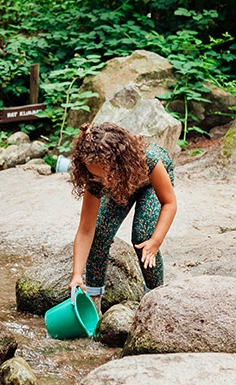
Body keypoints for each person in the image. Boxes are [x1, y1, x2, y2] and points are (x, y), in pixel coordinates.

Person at [68, 123, 178, 301]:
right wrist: (77, 275)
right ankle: (94, 300)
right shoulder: (96, 179)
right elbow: (86, 230)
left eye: (104, 176)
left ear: (119, 165)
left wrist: (156, 241)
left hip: (150, 184)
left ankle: (155, 297)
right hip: (121, 183)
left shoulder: (149, 160)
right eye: (94, 175)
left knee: (143, 236)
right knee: (100, 232)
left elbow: (169, 203)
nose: (99, 181)